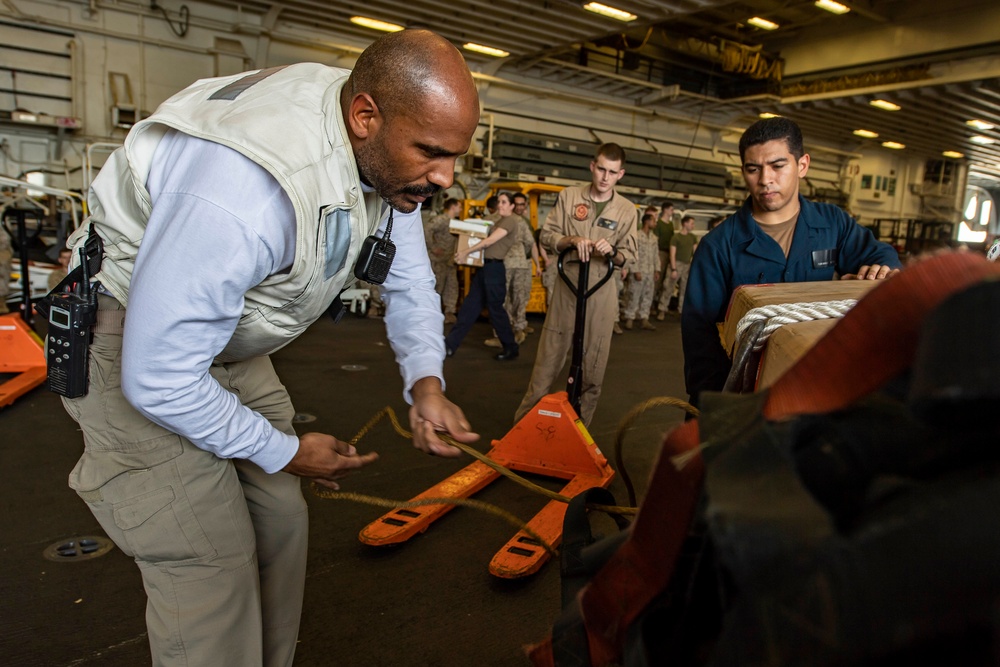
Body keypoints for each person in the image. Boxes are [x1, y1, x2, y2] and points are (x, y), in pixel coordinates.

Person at [59, 30, 481, 667]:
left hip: (225, 339)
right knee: (209, 561)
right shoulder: (245, 189)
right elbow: (159, 376)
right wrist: (285, 450)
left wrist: (426, 383)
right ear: (365, 116)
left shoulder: (385, 157)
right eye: (431, 152)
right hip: (134, 342)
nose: (446, 176)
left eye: (454, 155)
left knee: (280, 523)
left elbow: (409, 274)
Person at [682, 117, 902, 407]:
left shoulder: (832, 224)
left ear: (802, 165)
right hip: (747, 394)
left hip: (816, 382)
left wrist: (880, 269)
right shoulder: (719, 246)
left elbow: (878, 255)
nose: (765, 179)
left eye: (777, 165)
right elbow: (700, 336)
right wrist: (711, 406)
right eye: (753, 169)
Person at [514, 143, 638, 426]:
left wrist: (611, 251)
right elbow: (547, 235)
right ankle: (521, 429)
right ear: (593, 167)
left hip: (601, 289)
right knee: (547, 361)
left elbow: (627, 256)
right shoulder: (570, 197)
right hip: (568, 286)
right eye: (602, 169)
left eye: (613, 172)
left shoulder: (627, 210)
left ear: (621, 174)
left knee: (593, 365)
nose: (605, 177)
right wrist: (572, 240)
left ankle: (578, 433)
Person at [445, 191, 521, 360]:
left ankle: (510, 347)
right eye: (499, 202)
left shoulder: (510, 221)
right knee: (469, 308)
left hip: (494, 270)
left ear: (511, 206)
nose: (500, 204)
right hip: (485, 269)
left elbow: (489, 241)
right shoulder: (499, 220)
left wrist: (466, 252)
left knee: (495, 310)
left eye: (503, 202)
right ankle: (450, 344)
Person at [424, 197, 461, 324]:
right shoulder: (442, 219)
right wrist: (433, 247)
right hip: (438, 259)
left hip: (450, 260)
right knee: (437, 286)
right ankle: (432, 314)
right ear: (453, 206)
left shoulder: (456, 223)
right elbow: (427, 229)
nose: (461, 209)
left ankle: (449, 313)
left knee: (452, 286)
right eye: (459, 206)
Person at [621, 212, 659, 330]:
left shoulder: (654, 237)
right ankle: (630, 318)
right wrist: (635, 270)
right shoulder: (636, 236)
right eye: (653, 220)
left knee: (648, 295)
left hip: (650, 270)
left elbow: (655, 255)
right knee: (634, 294)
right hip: (639, 270)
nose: (655, 223)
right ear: (647, 221)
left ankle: (644, 318)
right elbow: (632, 253)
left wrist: (657, 270)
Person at [654, 201, 680, 319]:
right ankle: (651, 305)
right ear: (665, 210)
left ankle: (659, 305)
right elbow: (656, 239)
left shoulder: (670, 225)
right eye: (671, 209)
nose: (672, 212)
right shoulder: (659, 224)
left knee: (665, 279)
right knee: (657, 278)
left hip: (668, 252)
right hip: (660, 252)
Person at [666, 215, 698, 315]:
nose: (693, 226)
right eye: (691, 223)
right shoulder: (676, 237)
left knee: (684, 290)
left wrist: (693, 266)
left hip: (687, 265)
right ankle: (662, 309)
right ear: (685, 223)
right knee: (668, 287)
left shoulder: (692, 237)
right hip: (677, 264)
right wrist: (674, 269)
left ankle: (681, 311)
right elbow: (672, 254)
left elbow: (695, 252)